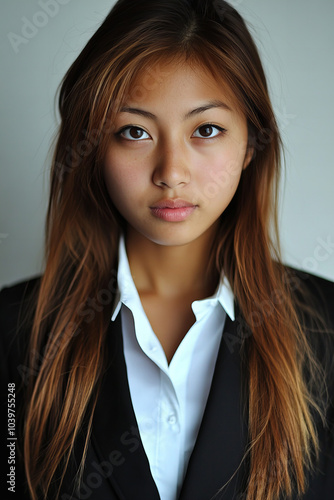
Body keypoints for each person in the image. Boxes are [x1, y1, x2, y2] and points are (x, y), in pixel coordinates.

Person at [1, 0, 333, 499]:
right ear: (93, 147)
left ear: (249, 144)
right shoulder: (12, 337)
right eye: (135, 132)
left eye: (206, 130)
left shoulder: (327, 328)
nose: (171, 171)